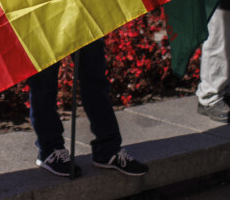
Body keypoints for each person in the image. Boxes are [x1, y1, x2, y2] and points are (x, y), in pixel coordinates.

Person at [29, 38, 148, 177]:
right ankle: (49, 149)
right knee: (43, 84)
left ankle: (107, 149)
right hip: (41, 21)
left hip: (81, 18)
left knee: (95, 78)